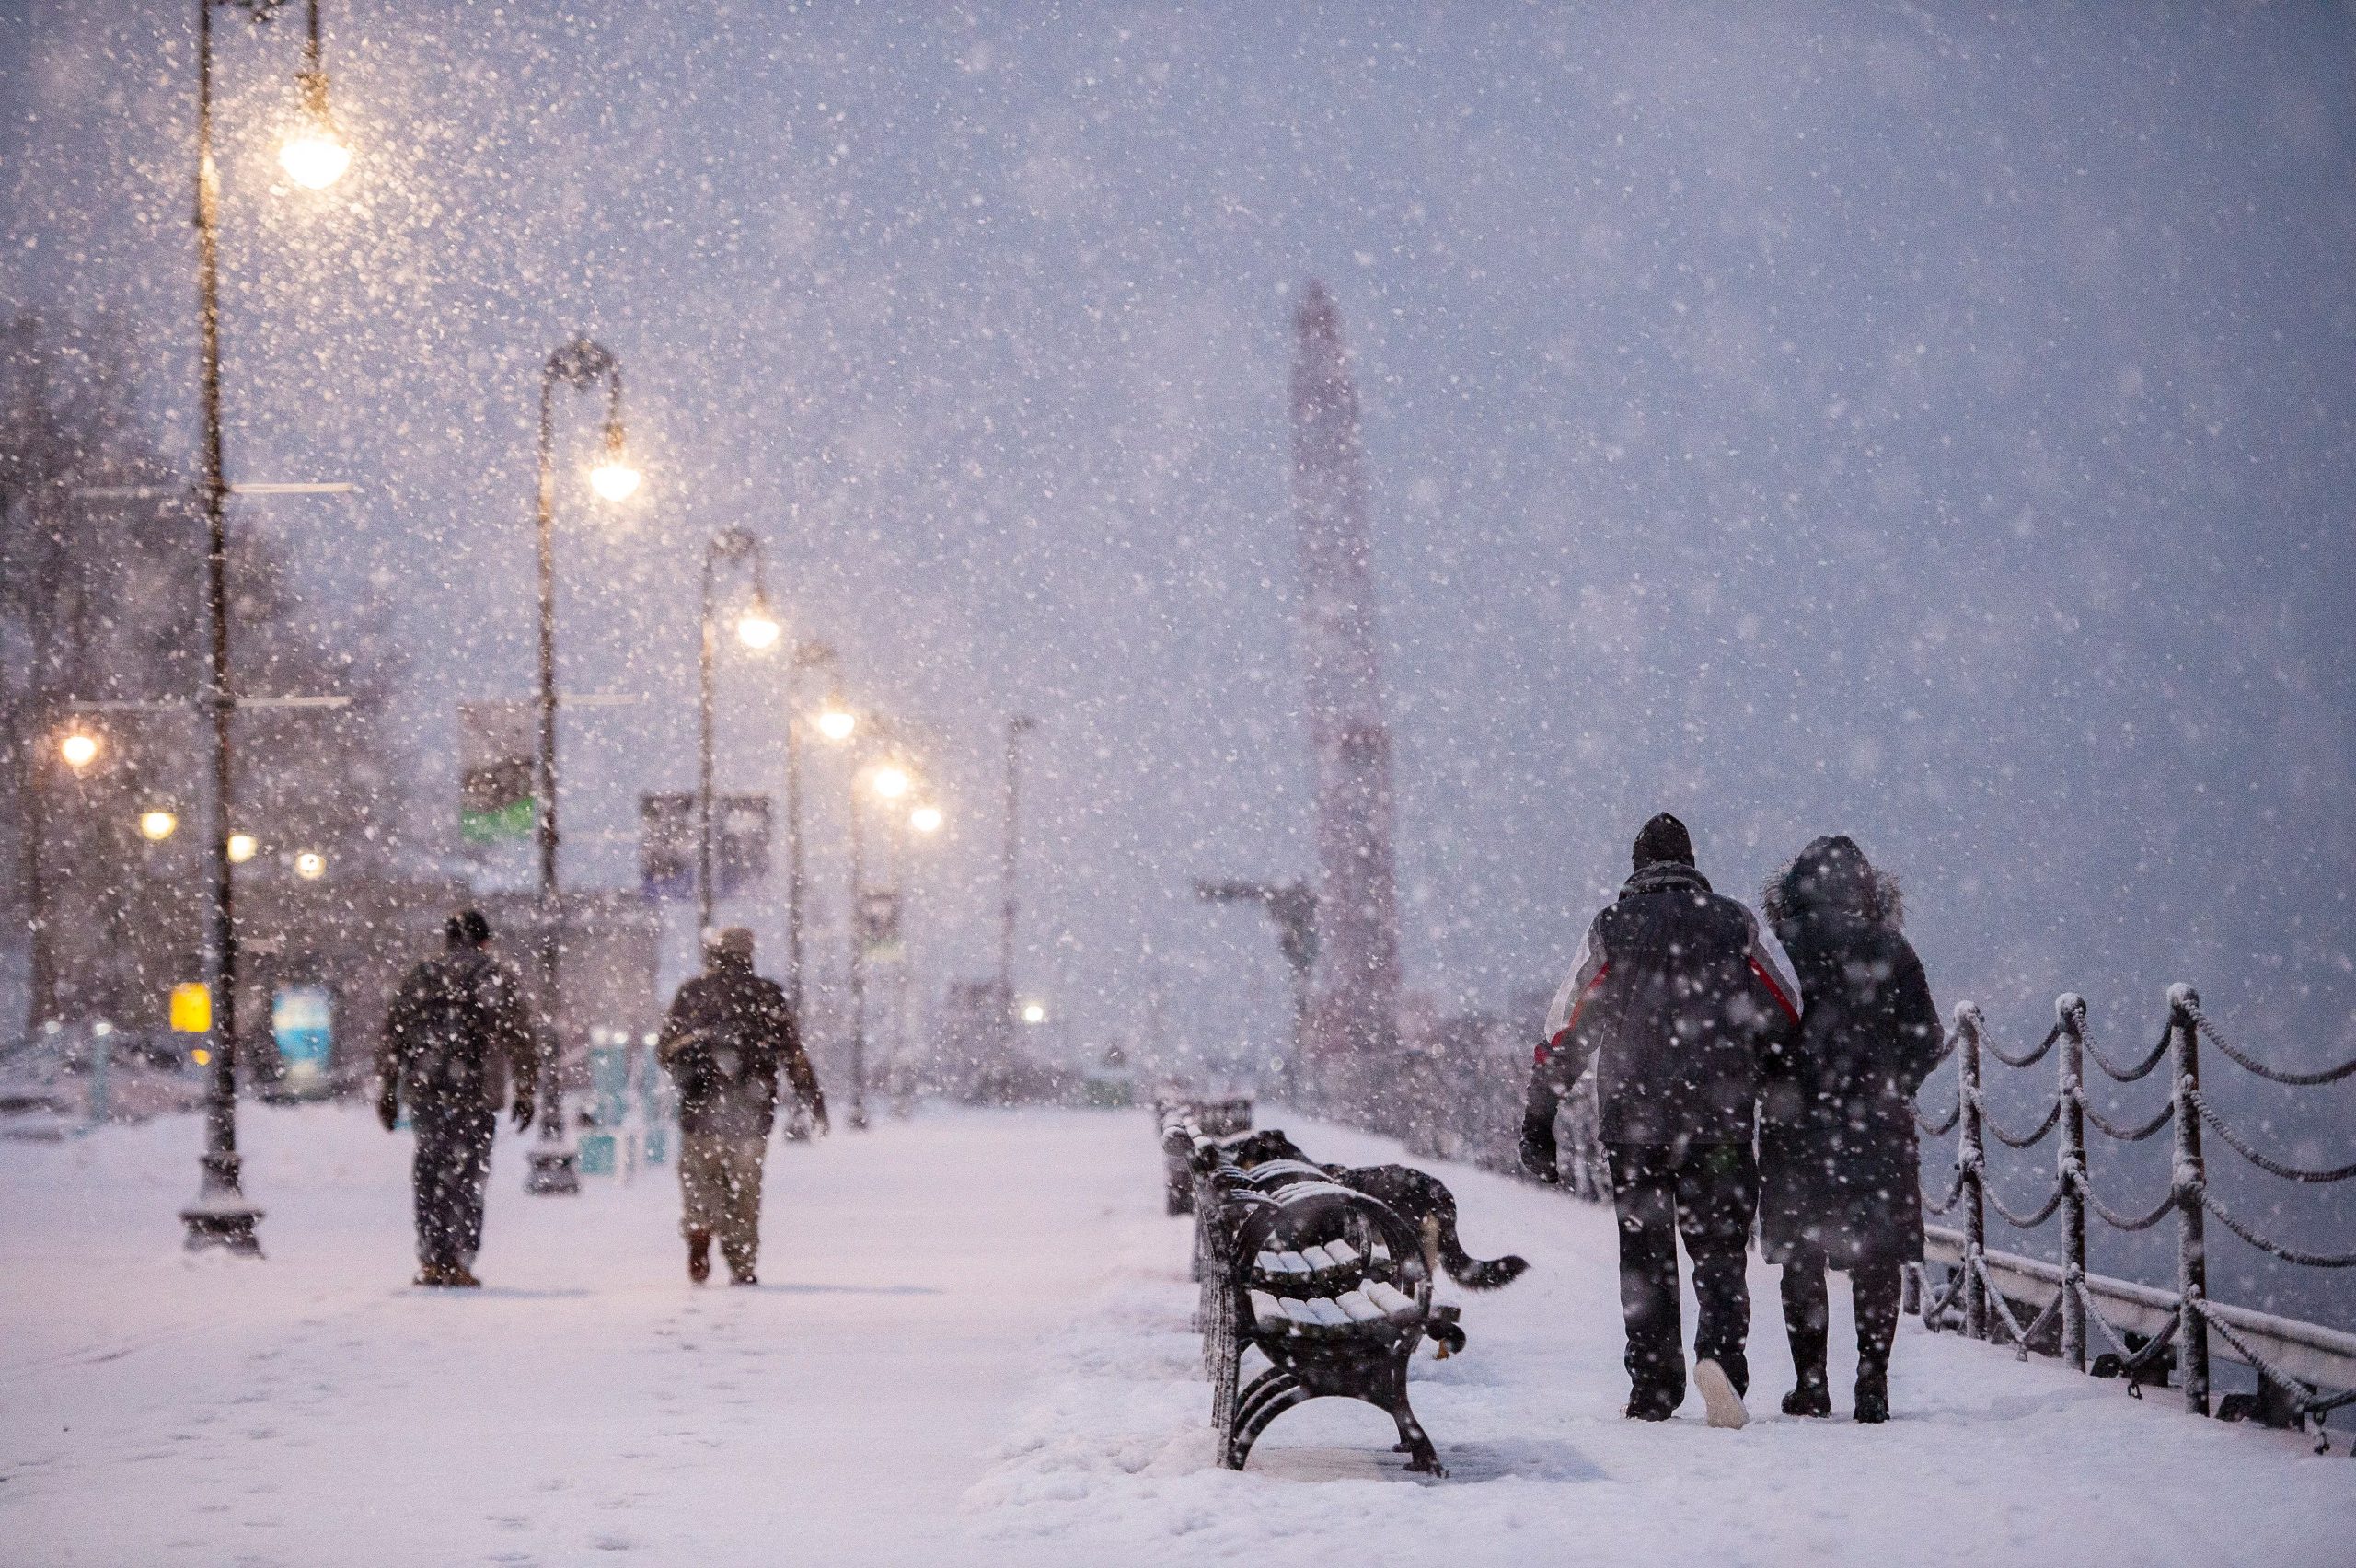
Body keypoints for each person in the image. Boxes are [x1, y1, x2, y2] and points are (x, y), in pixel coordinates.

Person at [1520, 813, 1799, 1424]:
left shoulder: (1612, 929)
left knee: (1645, 1253)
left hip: (1635, 1126)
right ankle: (1720, 1357)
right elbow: (1786, 1002)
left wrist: (1540, 1115)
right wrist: (1765, 1066)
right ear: (1692, 862)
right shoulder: (1736, 923)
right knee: (1720, 1247)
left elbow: (1566, 1025)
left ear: (1637, 866)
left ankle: (1653, 1383)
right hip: (1720, 1124)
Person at [1758, 836, 1944, 1424]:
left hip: (1798, 1125)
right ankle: (1873, 1385)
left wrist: (1777, 1083)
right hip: (1876, 1127)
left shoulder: (1780, 950)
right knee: (1877, 1256)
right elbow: (1927, 1036)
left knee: (1802, 1256)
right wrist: (1892, 1085)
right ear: (1870, 888)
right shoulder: (1893, 950)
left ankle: (1811, 1386)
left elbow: (1757, 1031)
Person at [657, 927, 827, 1286]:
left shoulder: (692, 993)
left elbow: (664, 1051)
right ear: (749, 954)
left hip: (699, 1112)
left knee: (700, 1181)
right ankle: (742, 1263)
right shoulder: (767, 994)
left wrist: (696, 1047)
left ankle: (700, 1228)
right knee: (745, 1192)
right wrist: (813, 1100)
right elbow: (792, 1055)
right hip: (752, 1114)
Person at [377, 909, 538, 1288]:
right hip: (476, 1091)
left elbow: (393, 1035)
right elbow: (520, 1038)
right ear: (485, 940)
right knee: (468, 1175)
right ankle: (461, 1260)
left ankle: (432, 1259)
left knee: (429, 1170)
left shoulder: (423, 975)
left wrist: (388, 1089)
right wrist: (526, 1090)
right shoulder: (494, 976)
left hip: (426, 1088)